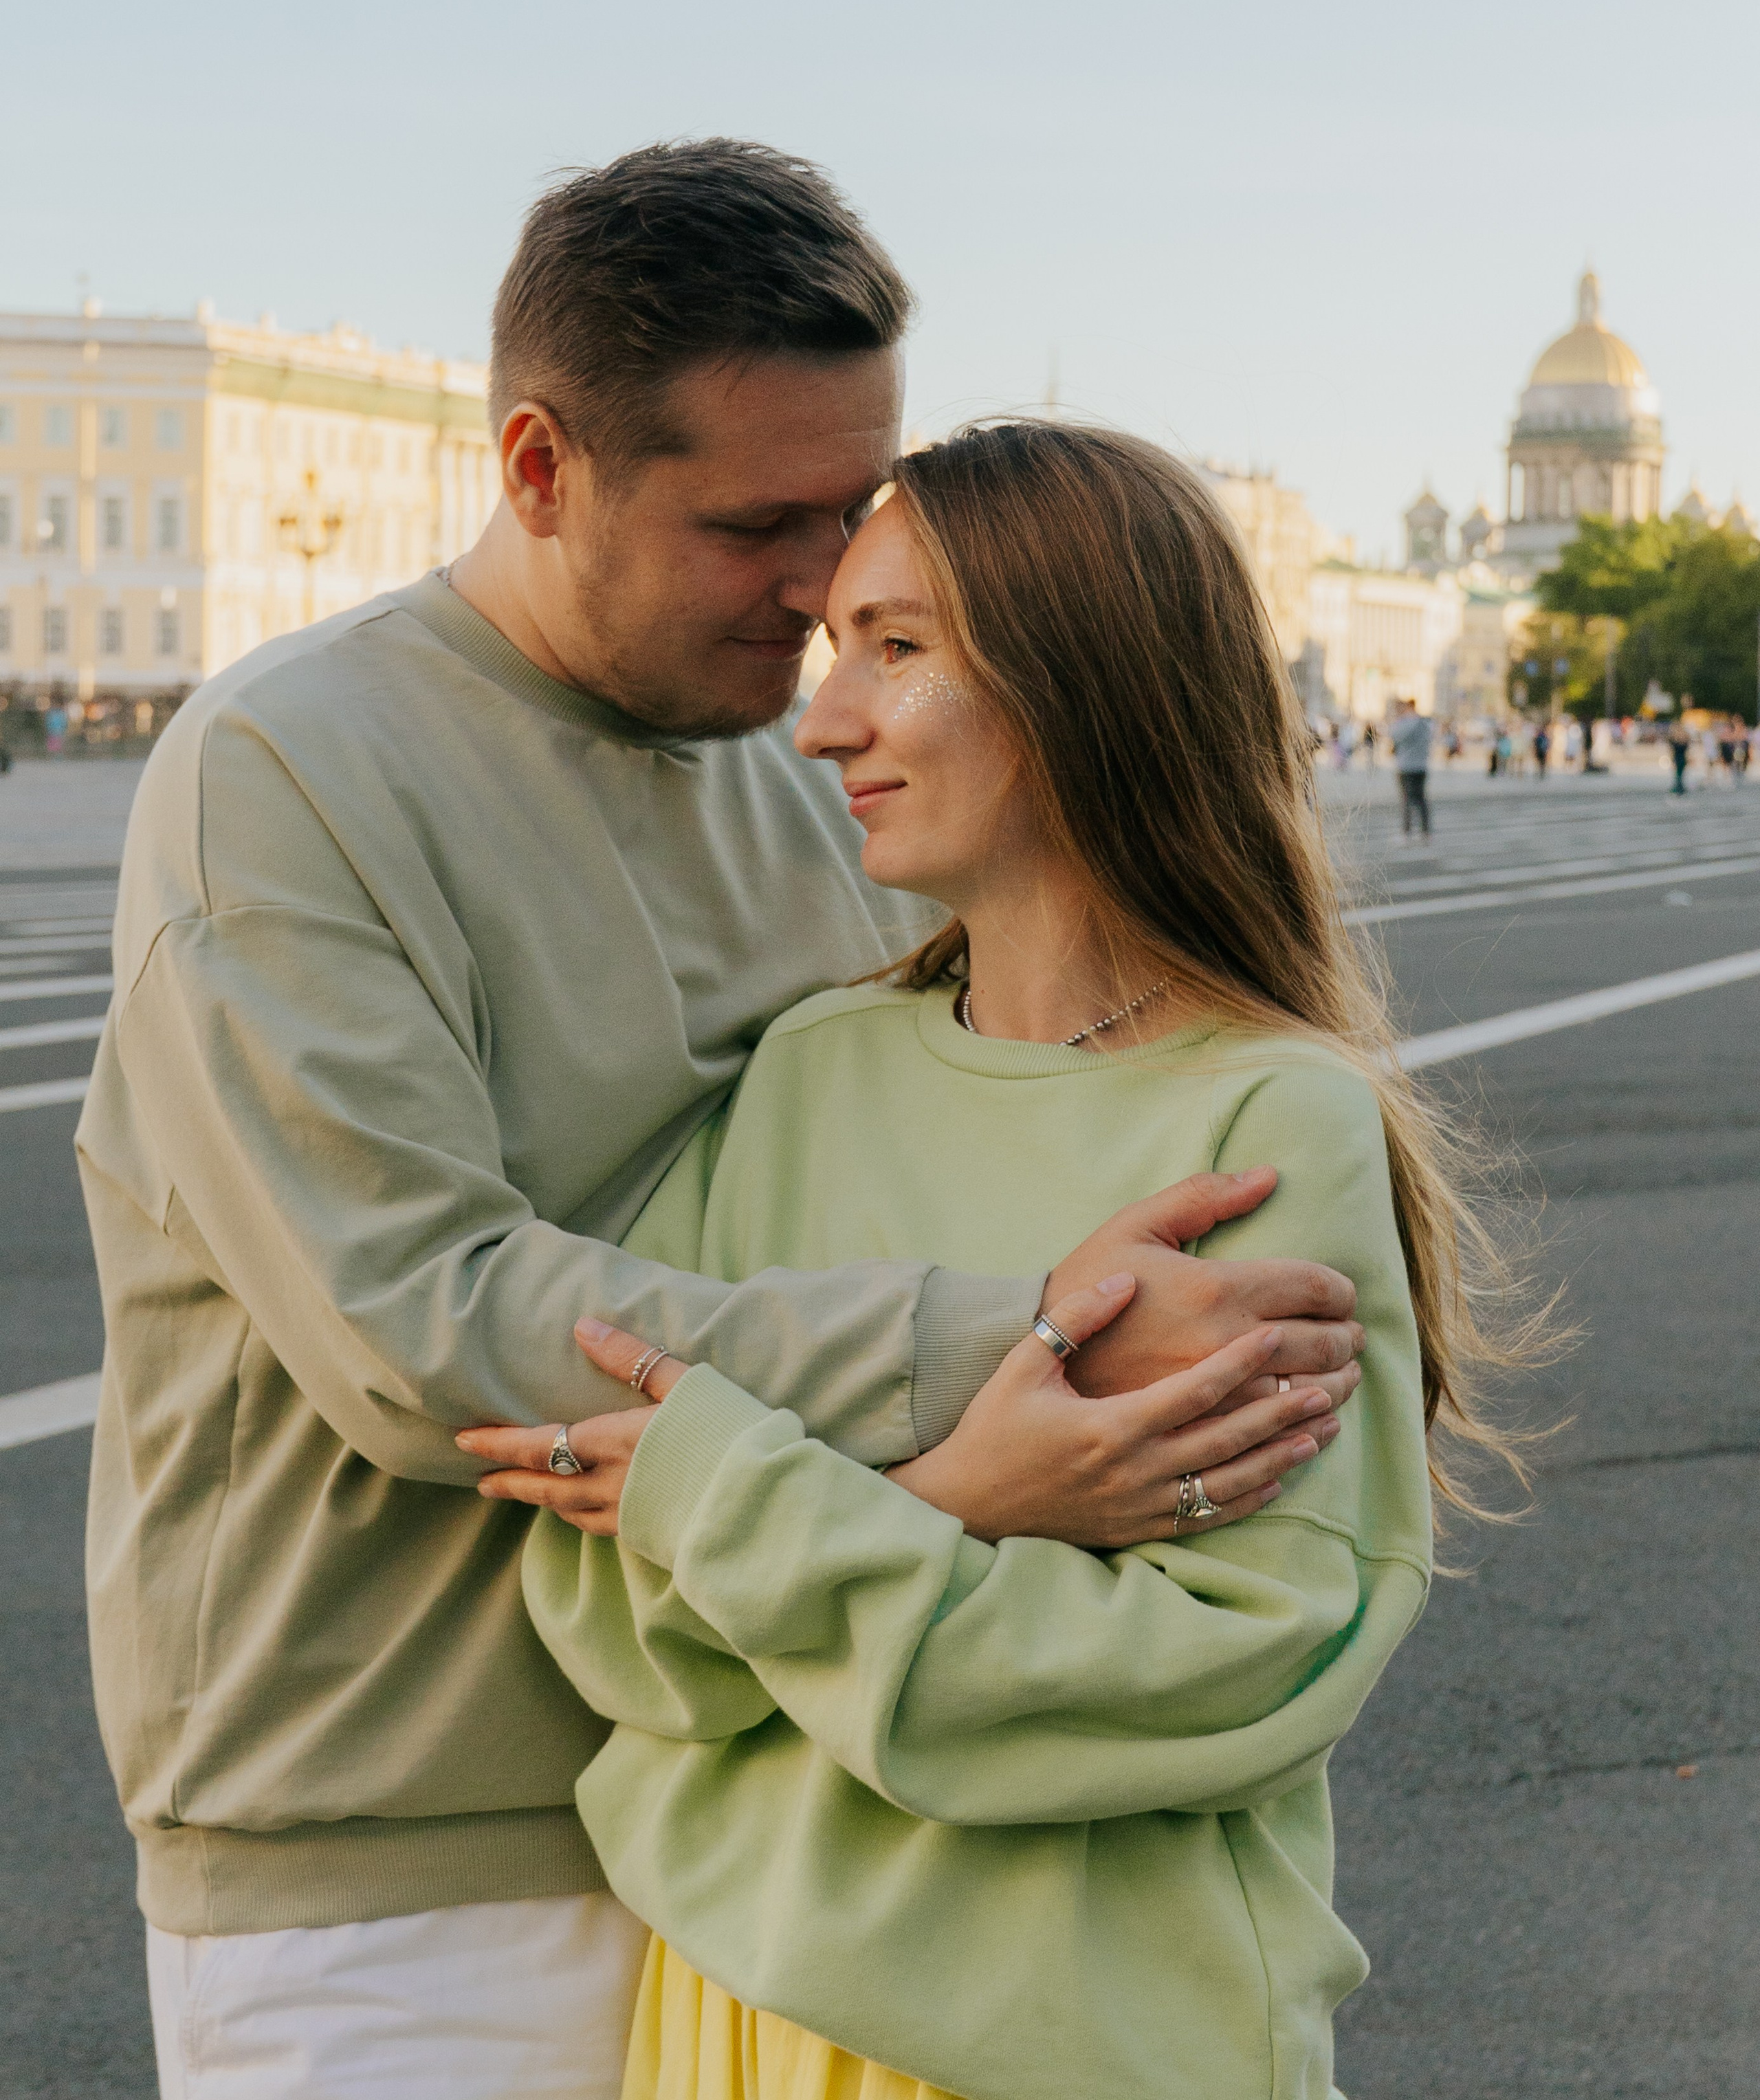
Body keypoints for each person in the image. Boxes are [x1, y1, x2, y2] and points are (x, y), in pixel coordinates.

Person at [76, 149, 1362, 2100]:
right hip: (397, 1856)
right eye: (758, 522)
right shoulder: (288, 769)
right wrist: (1003, 1349)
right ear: (535, 469)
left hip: (763, 1806)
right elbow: (425, 1332)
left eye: (857, 511)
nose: (823, 584)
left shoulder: (808, 778)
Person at [468, 426, 1534, 2100]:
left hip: (1079, 2038)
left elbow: (1216, 1671)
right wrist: (977, 1491)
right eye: (835, 650)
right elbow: (597, 1607)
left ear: (1081, 682)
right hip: (722, 2011)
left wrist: (768, 1502)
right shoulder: (808, 1069)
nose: (820, 720)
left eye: (894, 648)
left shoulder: (1267, 1117)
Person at [1388, 694, 1433, 838]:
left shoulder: (1403, 723)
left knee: (1407, 800)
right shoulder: (1425, 724)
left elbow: (1393, 736)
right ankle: (1426, 831)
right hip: (1421, 765)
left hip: (1406, 766)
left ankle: (1406, 832)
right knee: (1421, 799)